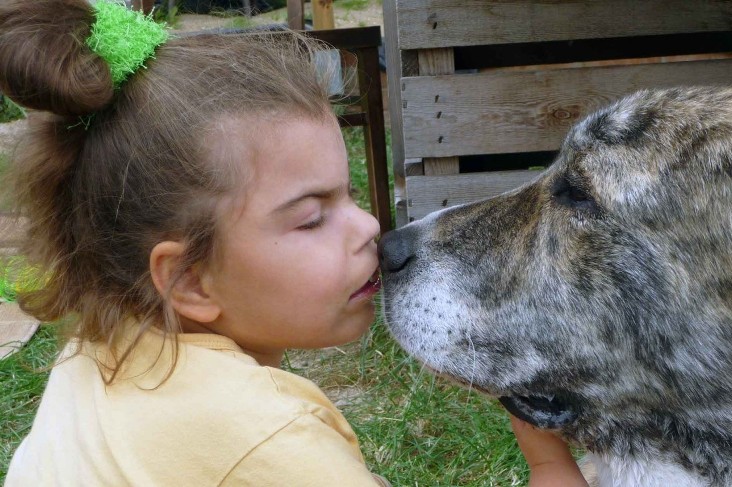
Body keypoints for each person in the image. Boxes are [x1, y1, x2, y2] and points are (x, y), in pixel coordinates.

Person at [0, 1, 587, 485]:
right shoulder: (270, 442)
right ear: (187, 280)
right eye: (311, 219)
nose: (368, 229)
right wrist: (550, 464)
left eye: (350, 195)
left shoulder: (92, 361)